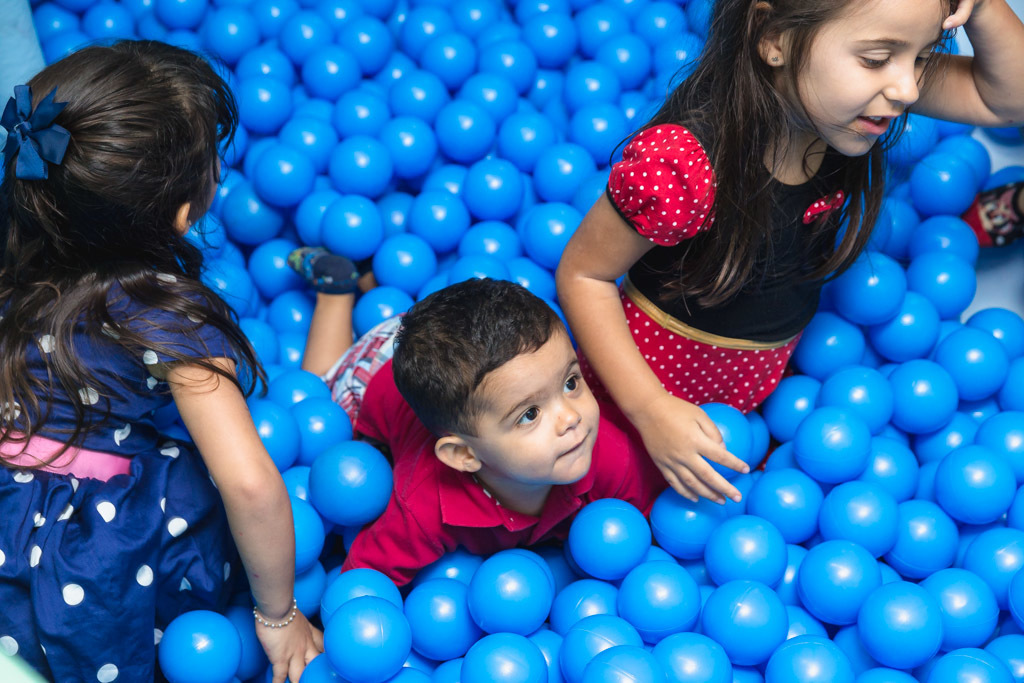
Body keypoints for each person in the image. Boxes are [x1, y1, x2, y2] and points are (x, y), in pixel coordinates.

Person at [556, 0, 1024, 506]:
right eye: (875, 59)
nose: (908, 89)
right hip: (643, 387)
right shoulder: (684, 167)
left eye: (922, 58)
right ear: (774, 37)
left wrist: (984, 6)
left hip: (755, 395)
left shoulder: (855, 102)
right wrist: (650, 410)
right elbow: (584, 275)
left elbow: (1006, 100)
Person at [0, 41, 321, 683]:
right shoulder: (163, 311)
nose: (221, 176)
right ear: (181, 215)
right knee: (194, 487)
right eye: (212, 164)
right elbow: (250, 484)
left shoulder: (18, 256)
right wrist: (279, 615)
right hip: (91, 560)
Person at [288, 256, 668, 587]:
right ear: (463, 454)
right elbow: (364, 580)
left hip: (465, 362)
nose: (572, 417)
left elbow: (657, 520)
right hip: (378, 371)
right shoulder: (424, 506)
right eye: (530, 414)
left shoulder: (603, 450)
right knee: (319, 388)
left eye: (571, 382)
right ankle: (336, 292)